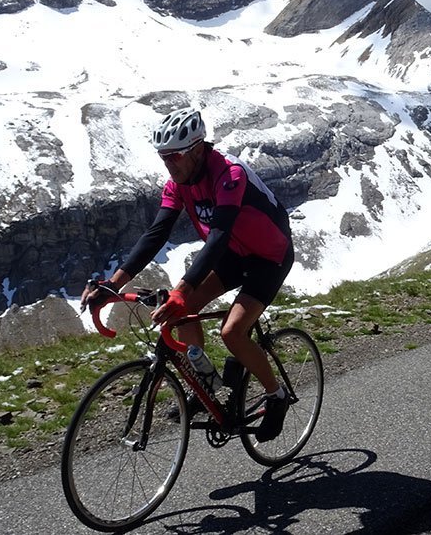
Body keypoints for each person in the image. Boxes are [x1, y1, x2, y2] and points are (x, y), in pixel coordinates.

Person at [80, 108, 295, 442]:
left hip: (270, 256)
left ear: (197, 149)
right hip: (233, 257)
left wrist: (181, 290)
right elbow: (156, 233)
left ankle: (276, 395)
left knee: (233, 332)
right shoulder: (177, 184)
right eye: (163, 157)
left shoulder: (229, 174)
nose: (169, 164)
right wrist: (112, 284)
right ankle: (208, 385)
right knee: (183, 312)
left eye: (174, 156)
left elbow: (219, 235)